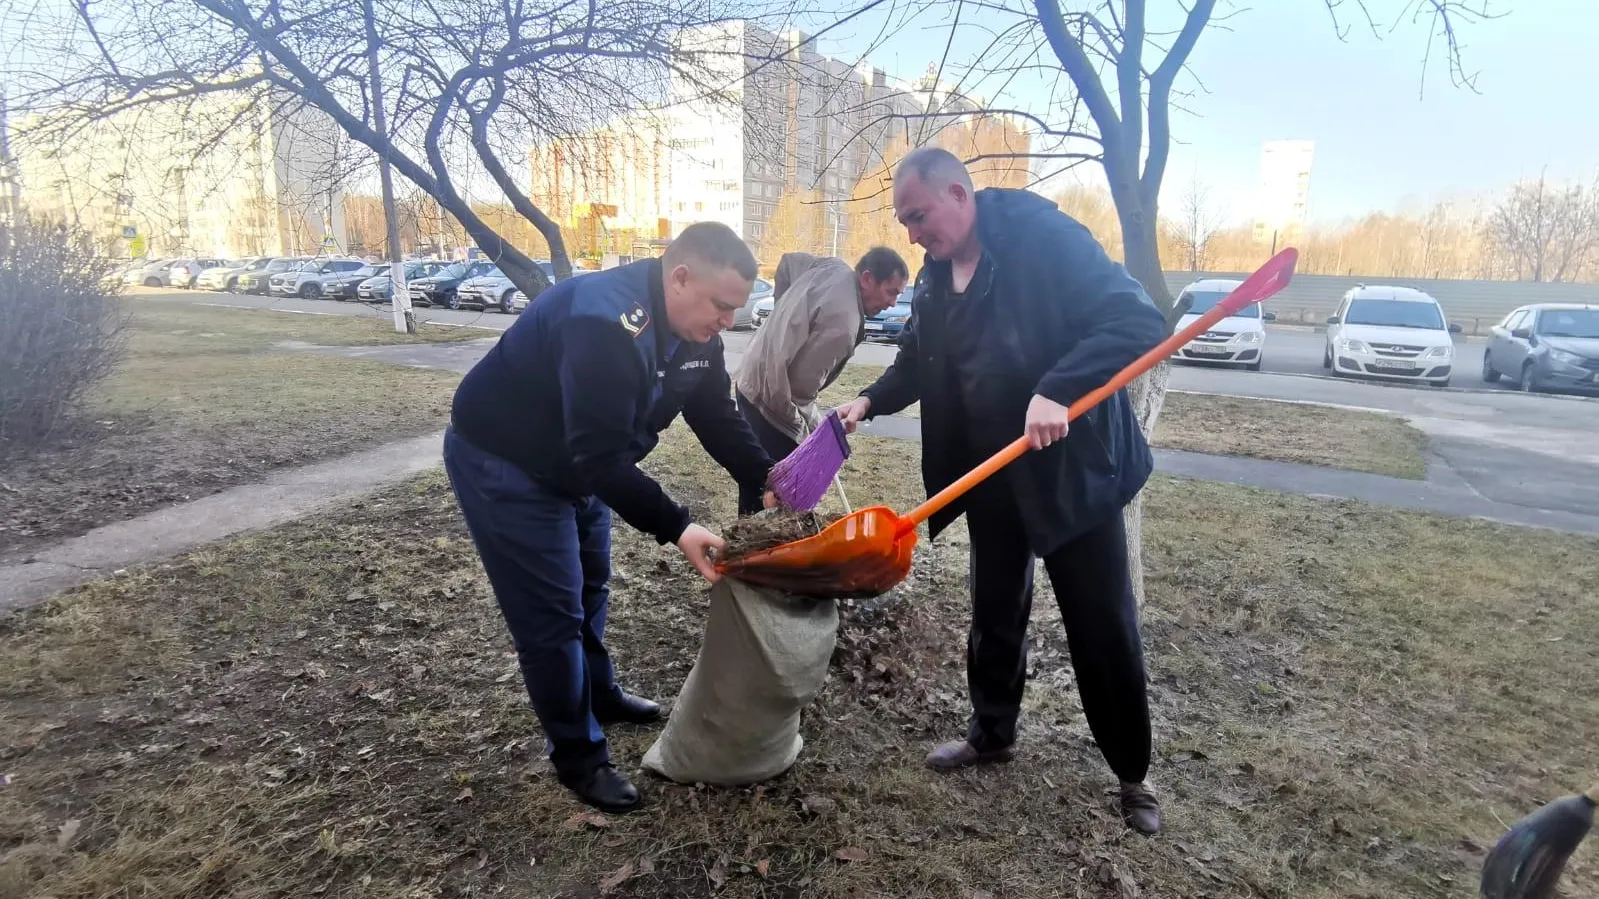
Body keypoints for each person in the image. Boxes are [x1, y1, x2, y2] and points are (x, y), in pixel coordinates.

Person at [833, 148, 1170, 835]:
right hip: (987, 471)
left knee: (1099, 620)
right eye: (903, 222)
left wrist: (1059, 388)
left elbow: (1136, 321)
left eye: (918, 215)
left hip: (1071, 467)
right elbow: (916, 361)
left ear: (958, 193)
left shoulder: (1042, 240)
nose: (911, 234)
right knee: (993, 606)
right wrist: (866, 401)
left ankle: (1131, 772)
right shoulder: (931, 278)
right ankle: (992, 732)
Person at [444, 223, 777, 814]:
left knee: (591, 583)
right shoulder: (602, 321)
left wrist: (764, 476)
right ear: (680, 278)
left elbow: (714, 413)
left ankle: (598, 694)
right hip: (508, 463)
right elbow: (598, 458)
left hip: (584, 460)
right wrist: (678, 525)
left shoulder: (697, 333)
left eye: (736, 309)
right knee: (551, 618)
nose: (729, 321)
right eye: (722, 306)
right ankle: (578, 756)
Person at [730, 247, 909, 514]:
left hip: (749, 378)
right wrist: (805, 434)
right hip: (767, 400)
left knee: (755, 479)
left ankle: (748, 537)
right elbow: (797, 393)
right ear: (868, 279)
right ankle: (756, 550)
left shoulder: (833, 267)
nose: (893, 303)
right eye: (891, 292)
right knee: (772, 492)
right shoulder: (843, 324)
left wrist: (781, 318)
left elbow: (788, 261)